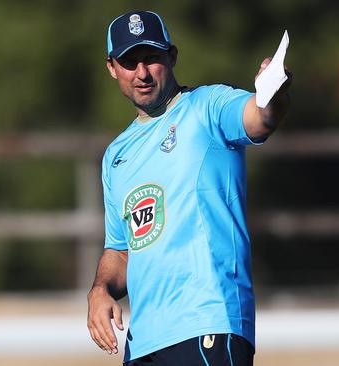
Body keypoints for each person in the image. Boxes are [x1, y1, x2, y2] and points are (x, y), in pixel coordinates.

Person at [87, 10, 291, 366]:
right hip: (144, 342)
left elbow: (260, 120)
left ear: (172, 56)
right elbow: (121, 251)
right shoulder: (116, 155)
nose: (142, 72)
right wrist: (100, 290)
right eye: (130, 61)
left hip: (208, 323)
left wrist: (273, 93)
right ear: (112, 68)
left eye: (151, 58)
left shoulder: (207, 106)